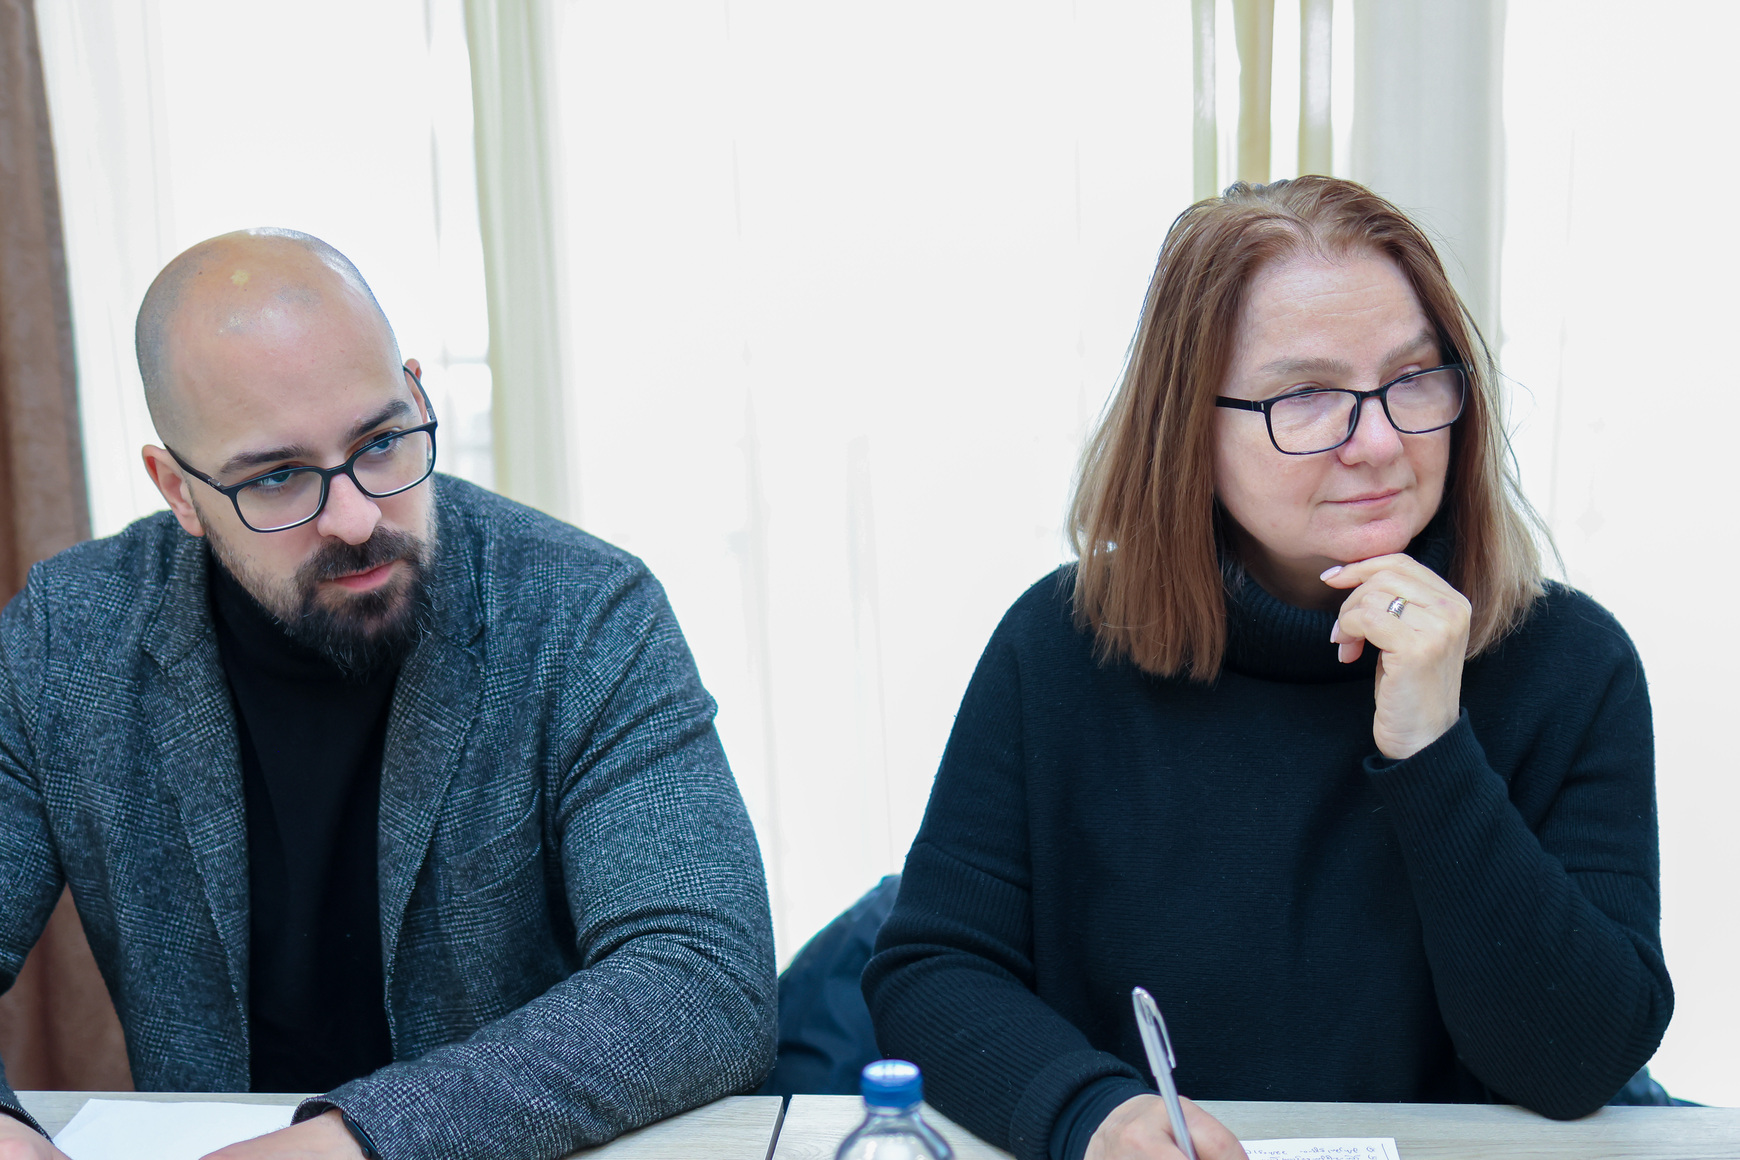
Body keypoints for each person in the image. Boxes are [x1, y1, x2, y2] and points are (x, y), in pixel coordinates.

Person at [862, 177, 1672, 1160]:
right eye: (1307, 396)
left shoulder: (1570, 664)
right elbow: (933, 971)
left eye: (1414, 377)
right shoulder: (1063, 645)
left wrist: (1433, 750)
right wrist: (1091, 1115)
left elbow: (1581, 1062)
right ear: (1188, 427)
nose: (1380, 441)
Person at [0, 229, 776, 1159]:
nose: (357, 516)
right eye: (278, 477)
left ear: (417, 393)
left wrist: (358, 1142)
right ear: (179, 490)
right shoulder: (69, 637)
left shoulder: (582, 610)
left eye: (381, 442)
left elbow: (704, 978)